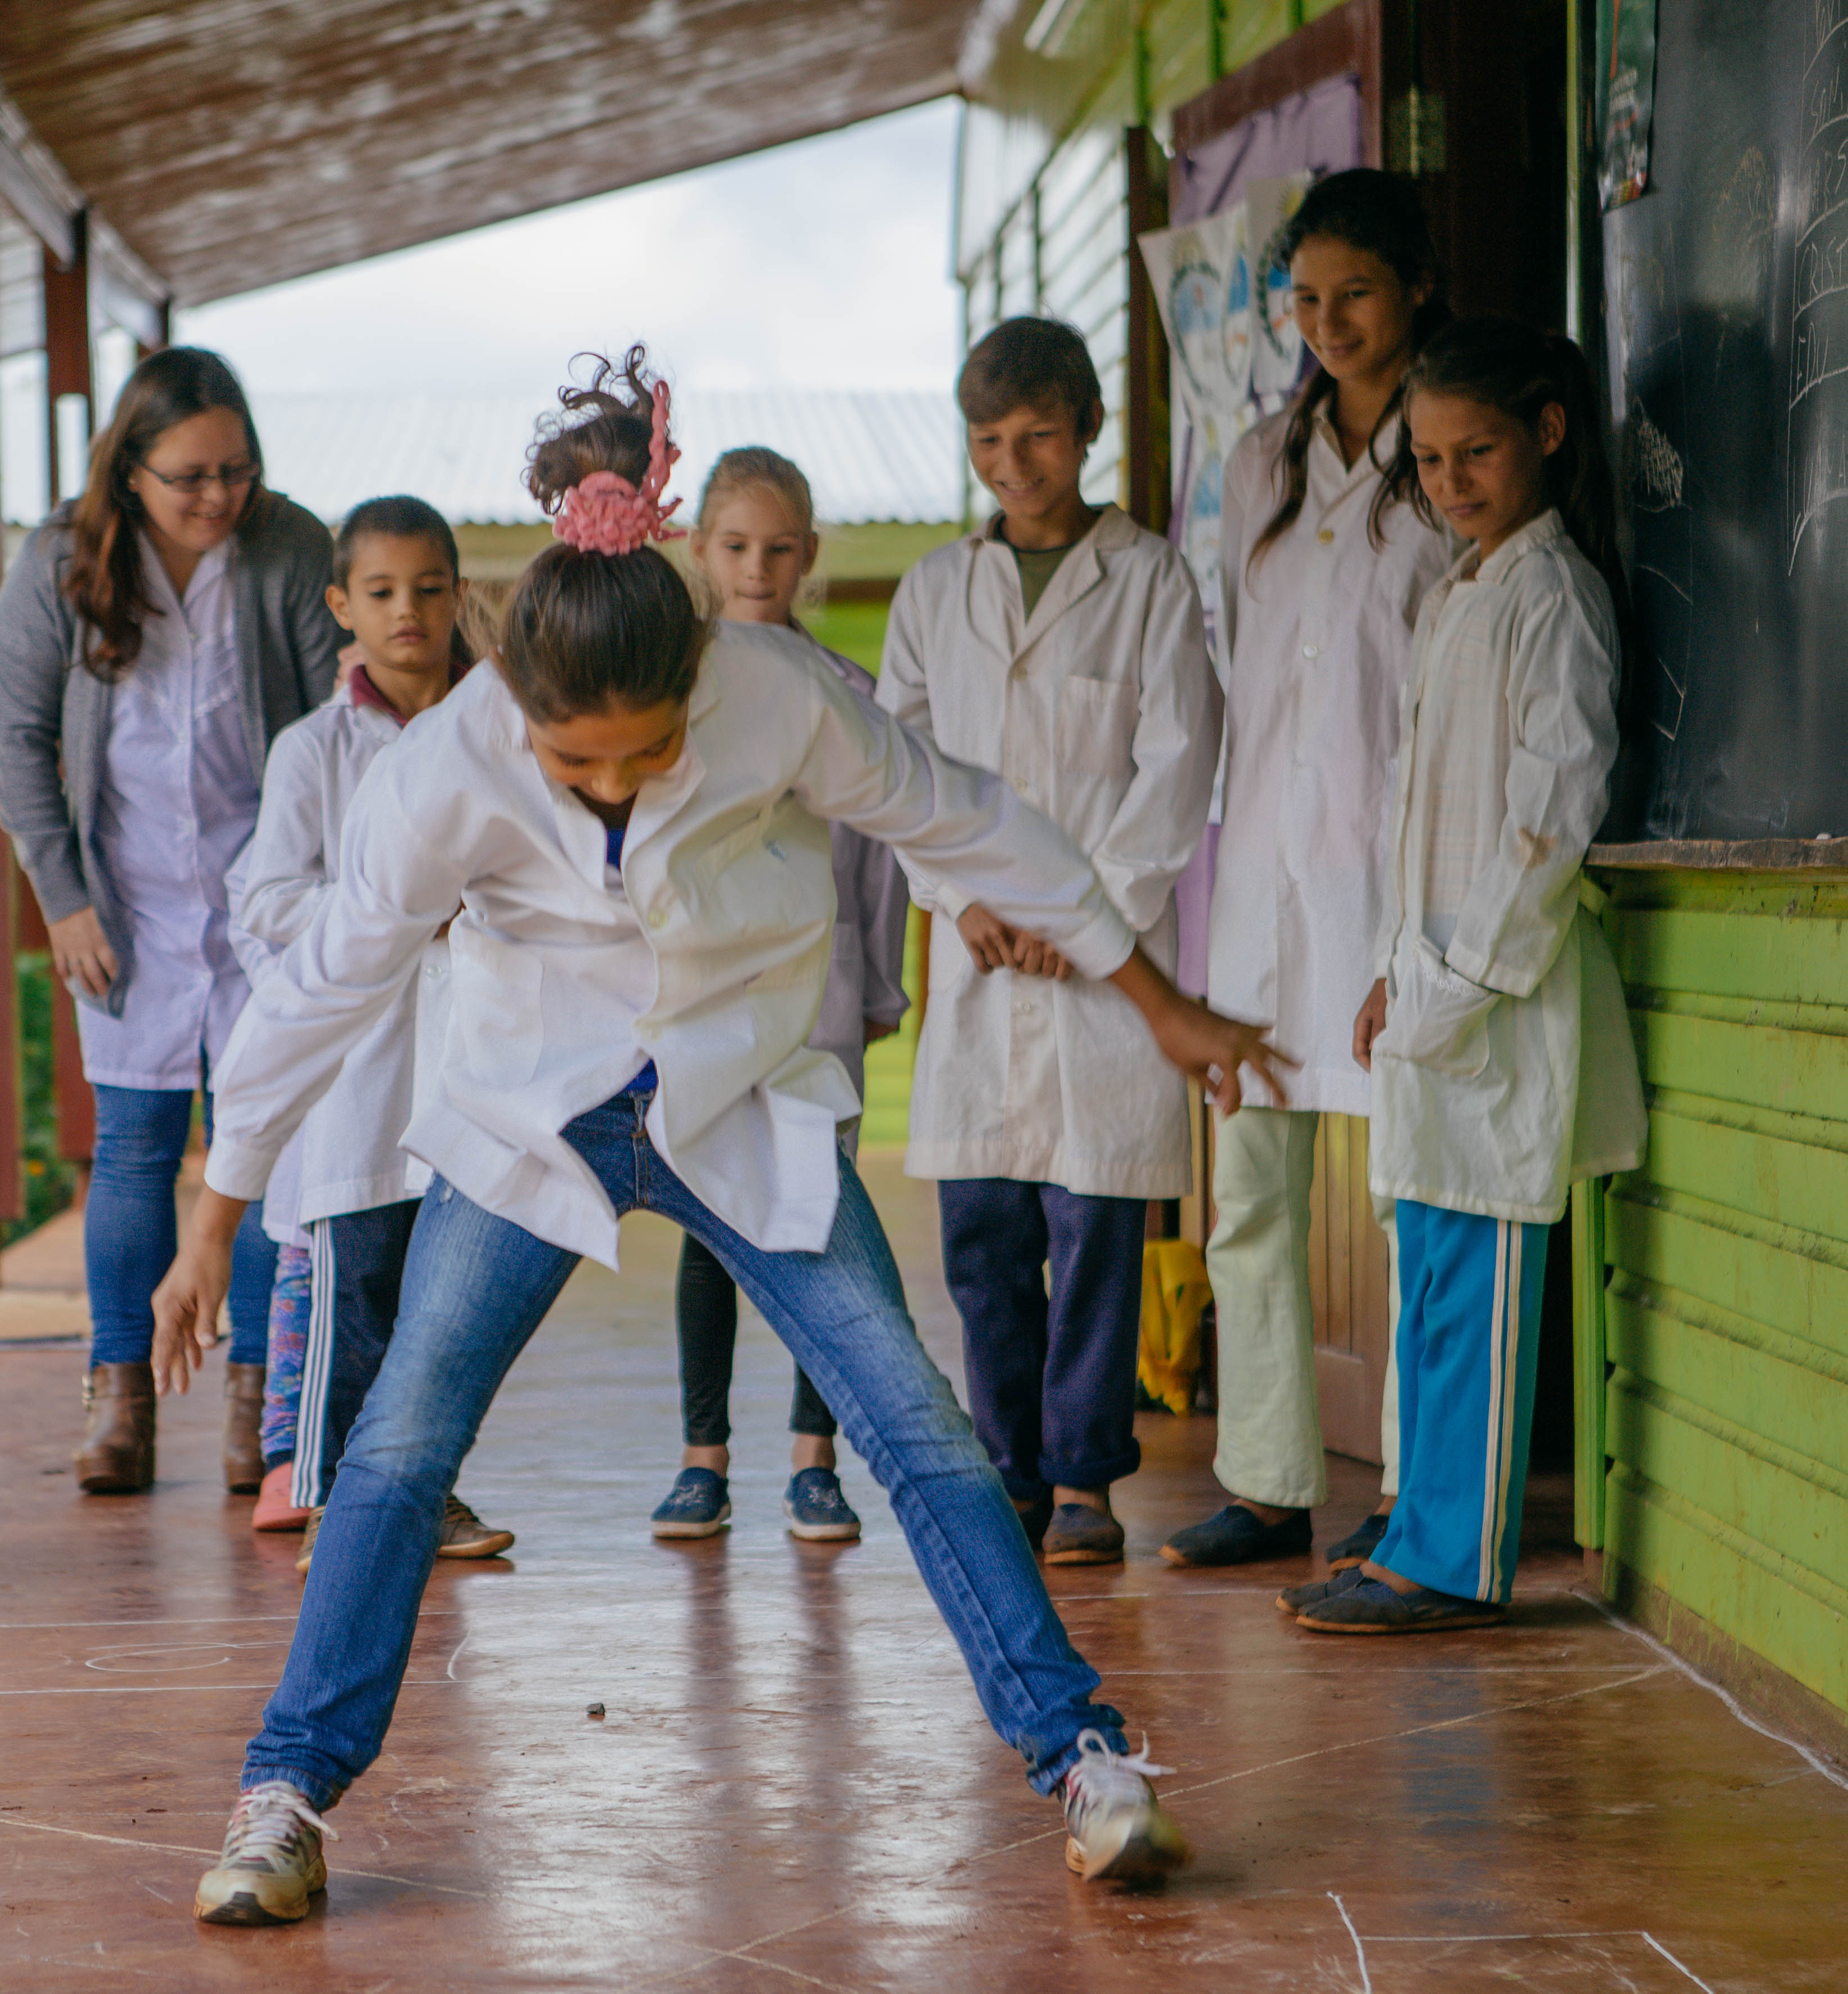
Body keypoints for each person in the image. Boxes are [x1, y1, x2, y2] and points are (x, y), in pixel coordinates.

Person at [144, 351, 1288, 1927]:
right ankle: (284, 1791)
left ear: (696, 683)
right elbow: (321, 985)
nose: (613, 787)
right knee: (402, 1444)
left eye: (648, 752)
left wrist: (1151, 994)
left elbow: (969, 820)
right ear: (518, 713)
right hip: (530, 1112)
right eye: (577, 764)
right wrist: (217, 1213)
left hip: (740, 1093)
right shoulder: (444, 767)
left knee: (915, 1419)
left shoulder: (773, 691)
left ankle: (1080, 1755)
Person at [1288, 318, 1646, 1634]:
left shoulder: (1552, 595)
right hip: (1433, 983)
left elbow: (1551, 816)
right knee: (1428, 1269)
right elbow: (1417, 817)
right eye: (1428, 461)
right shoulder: (1464, 589)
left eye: (1474, 452)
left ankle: (1454, 1556)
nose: (1447, 482)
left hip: (1499, 995)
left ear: (1547, 432)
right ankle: (1410, 1527)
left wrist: (1458, 976)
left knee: (1481, 1274)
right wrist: (1399, 971)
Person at [878, 318, 1223, 1567]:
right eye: (987, 440)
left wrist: (1085, 917)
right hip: (977, 955)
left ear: (1083, 426)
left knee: (1095, 1235)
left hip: (1095, 965)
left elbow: (1176, 765)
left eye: (1036, 435)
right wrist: (957, 897)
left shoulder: (1149, 582)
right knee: (984, 1236)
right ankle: (1008, 1470)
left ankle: (1084, 1479)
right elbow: (897, 769)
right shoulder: (933, 590)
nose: (1013, 462)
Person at [1162, 171, 1464, 1574]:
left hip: (1400, 873)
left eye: (1355, 292)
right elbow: (1231, 660)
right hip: (1269, 878)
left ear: (1412, 286)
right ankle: (1271, 1478)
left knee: (1414, 1189)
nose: (1330, 322)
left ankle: (1417, 1488)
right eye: (1307, 300)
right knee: (1254, 1191)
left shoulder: (1454, 452)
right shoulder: (1258, 467)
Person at [0, 347, 345, 1496]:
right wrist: (65, 898)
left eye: (235, 470)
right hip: (124, 898)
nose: (215, 497)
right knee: (135, 1148)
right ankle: (118, 1396)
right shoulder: (58, 559)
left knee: (260, 1141)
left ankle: (258, 1401)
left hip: (265, 894)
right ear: (129, 468)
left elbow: (336, 714)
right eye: (189, 475)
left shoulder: (287, 548)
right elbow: (15, 739)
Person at [225, 496, 512, 1571]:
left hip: (471, 1066)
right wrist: (391, 912)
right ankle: (341, 1514)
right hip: (361, 1073)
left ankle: (424, 1496)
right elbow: (264, 899)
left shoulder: (500, 728)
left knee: (444, 1311)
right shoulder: (313, 751)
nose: (408, 613)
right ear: (341, 603)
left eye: (430, 590)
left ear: (458, 597)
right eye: (382, 592)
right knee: (355, 1301)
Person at [649, 447, 909, 1546]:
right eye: (735, 546)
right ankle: (700, 1460)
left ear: (809, 557)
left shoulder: (845, 696)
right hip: (701, 1003)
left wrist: (883, 981)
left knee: (816, 1219)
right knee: (708, 1226)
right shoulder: (666, 688)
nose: (757, 568)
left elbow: (881, 855)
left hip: (819, 999)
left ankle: (816, 1461)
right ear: (698, 551)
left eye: (778, 548)